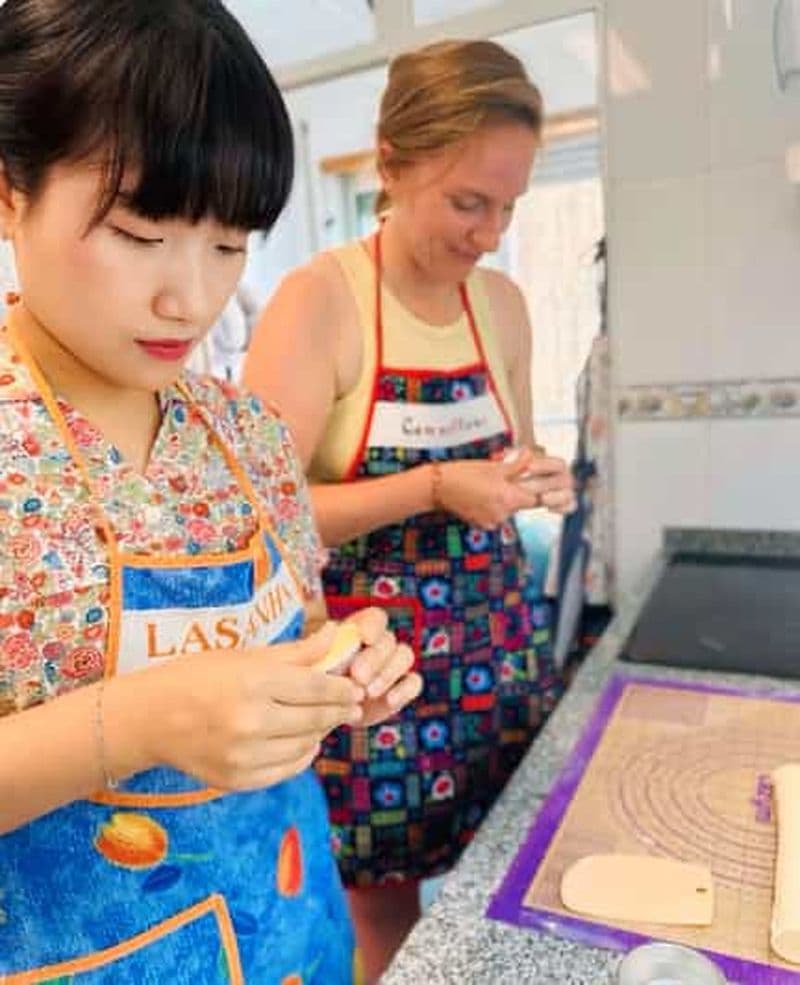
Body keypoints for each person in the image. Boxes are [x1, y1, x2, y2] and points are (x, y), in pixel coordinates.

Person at [0, 2, 421, 982]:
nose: (189, 298)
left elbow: (302, 626)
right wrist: (135, 723)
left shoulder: (248, 435)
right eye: (140, 234)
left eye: (229, 245)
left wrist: (340, 666)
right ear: (11, 193)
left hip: (294, 935)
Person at [243, 38, 575, 982]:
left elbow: (510, 452)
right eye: (468, 202)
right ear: (390, 165)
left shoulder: (501, 305)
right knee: (384, 916)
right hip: (375, 680)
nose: (490, 234)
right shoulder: (321, 302)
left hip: (496, 655)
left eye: (508, 206)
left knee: (502, 883)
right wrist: (430, 488)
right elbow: (258, 519)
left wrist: (534, 477)